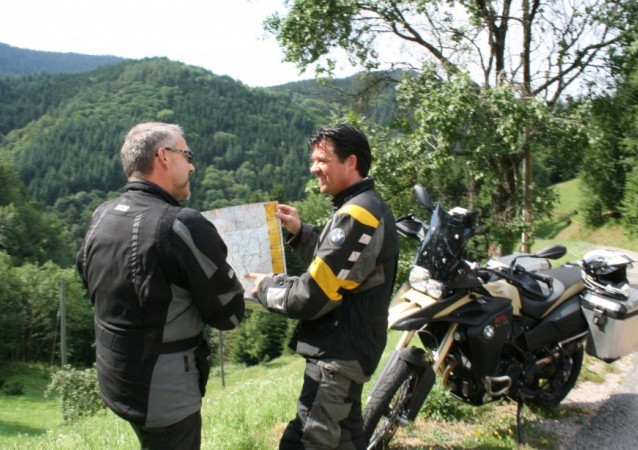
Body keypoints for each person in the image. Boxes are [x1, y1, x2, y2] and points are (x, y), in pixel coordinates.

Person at [77, 122, 245, 449]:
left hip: (117, 378)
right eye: (187, 155)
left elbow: (90, 282)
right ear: (164, 156)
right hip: (165, 393)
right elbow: (230, 315)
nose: (192, 166)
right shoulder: (181, 224)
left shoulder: (102, 215)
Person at [247, 124, 399, 449]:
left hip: (337, 358)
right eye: (313, 160)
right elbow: (341, 267)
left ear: (351, 161)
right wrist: (301, 232)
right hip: (348, 352)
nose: (313, 168)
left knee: (304, 441)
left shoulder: (358, 214)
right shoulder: (361, 206)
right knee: (345, 440)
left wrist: (265, 288)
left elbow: (313, 295)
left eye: (322, 160)